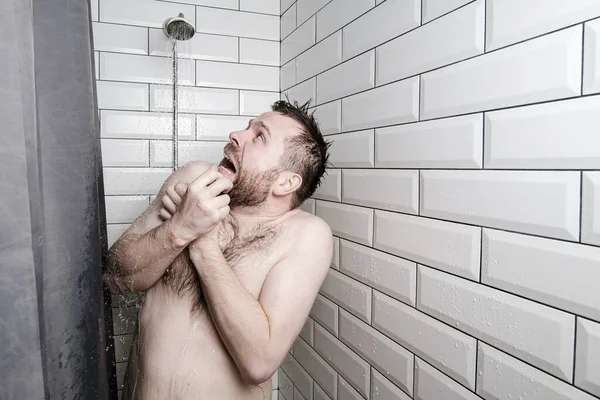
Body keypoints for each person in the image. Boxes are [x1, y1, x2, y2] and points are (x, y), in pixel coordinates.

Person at [103, 99, 334, 400]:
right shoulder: (194, 180)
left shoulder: (305, 235)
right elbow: (114, 277)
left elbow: (258, 362)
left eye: (259, 136)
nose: (236, 135)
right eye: (248, 127)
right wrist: (178, 230)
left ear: (286, 182)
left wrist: (202, 243)